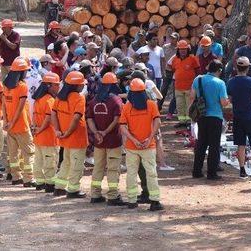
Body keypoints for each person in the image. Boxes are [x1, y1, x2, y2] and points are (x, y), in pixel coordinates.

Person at [120, 78, 164, 211]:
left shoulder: (127, 107)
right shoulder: (151, 105)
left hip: (132, 147)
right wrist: (150, 137)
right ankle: (155, 202)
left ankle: (132, 201)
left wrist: (133, 140)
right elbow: (157, 122)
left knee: (131, 173)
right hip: (148, 146)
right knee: (151, 173)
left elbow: (122, 127)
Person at [86, 72, 126, 205]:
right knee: (113, 169)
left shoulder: (94, 101)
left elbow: (89, 119)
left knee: (98, 167)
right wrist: (105, 132)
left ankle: (95, 194)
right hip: (113, 141)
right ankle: (113, 196)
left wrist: (96, 132)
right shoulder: (116, 100)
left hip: (98, 142)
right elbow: (117, 119)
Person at [51, 71, 89, 198]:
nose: (83, 86)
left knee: (66, 163)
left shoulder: (59, 97)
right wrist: (67, 132)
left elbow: (54, 114)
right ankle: (73, 190)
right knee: (76, 165)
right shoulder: (80, 98)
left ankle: (59, 187)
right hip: (76, 138)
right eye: (82, 84)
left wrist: (58, 130)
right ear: (77, 86)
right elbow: (76, 118)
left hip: (64, 137)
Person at [190, 61, 229, 180]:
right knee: (214, 145)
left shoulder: (198, 79)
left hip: (202, 115)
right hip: (215, 116)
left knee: (201, 143)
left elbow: (192, 96)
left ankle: (197, 171)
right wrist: (228, 101)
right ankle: (212, 172)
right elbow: (223, 102)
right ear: (219, 71)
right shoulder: (220, 83)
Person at [227, 57, 251, 179]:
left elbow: (230, 100)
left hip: (238, 116)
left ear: (236, 67)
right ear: (248, 68)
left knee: (240, 144)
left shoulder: (231, 82)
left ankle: (242, 170)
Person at [3, 58, 35, 187]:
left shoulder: (6, 86)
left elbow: (4, 105)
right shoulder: (22, 86)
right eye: (26, 70)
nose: (27, 72)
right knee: (29, 152)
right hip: (21, 125)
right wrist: (12, 122)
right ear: (21, 72)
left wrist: (6, 122)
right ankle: (29, 178)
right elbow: (20, 108)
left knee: (13, 153)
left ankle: (16, 177)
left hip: (10, 127)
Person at [31, 72, 60, 192]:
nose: (58, 87)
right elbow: (48, 119)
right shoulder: (50, 100)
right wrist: (40, 129)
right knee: (50, 162)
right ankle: (50, 184)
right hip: (48, 137)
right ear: (49, 86)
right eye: (56, 85)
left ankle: (40, 182)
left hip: (39, 137)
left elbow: (34, 115)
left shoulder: (38, 100)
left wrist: (35, 129)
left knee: (38, 161)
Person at [170, 40, 200, 126]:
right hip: (178, 87)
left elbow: (198, 71)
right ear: (178, 50)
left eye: (184, 49)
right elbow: (173, 70)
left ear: (187, 49)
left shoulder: (192, 59)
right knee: (180, 106)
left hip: (189, 88)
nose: (183, 51)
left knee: (189, 106)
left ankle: (189, 122)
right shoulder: (175, 59)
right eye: (181, 49)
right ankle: (182, 121)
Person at [160, 32, 179, 115]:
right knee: (163, 89)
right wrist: (162, 70)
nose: (172, 39)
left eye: (174, 38)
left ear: (177, 39)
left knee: (176, 91)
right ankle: (158, 107)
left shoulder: (180, 48)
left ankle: (173, 109)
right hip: (167, 70)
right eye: (171, 38)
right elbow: (162, 59)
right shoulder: (165, 47)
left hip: (176, 71)